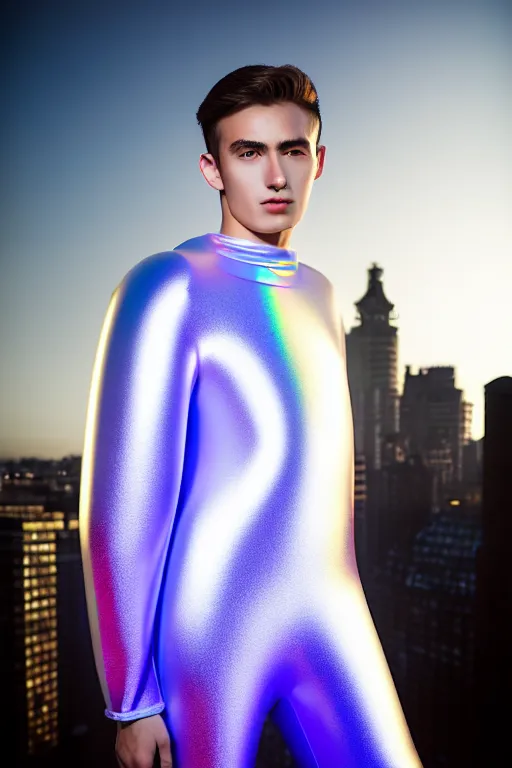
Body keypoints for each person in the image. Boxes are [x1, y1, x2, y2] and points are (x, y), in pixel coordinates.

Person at [79, 64, 422, 768]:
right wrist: (132, 697)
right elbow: (124, 506)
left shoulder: (324, 295)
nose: (275, 176)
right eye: (248, 152)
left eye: (292, 151)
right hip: (210, 627)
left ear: (318, 161)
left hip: (334, 612)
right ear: (212, 168)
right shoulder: (167, 284)